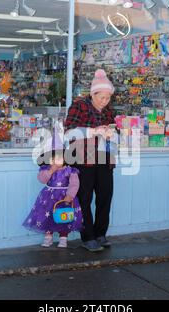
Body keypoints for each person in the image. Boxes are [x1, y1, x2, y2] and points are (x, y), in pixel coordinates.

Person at [64, 69, 117, 252]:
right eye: (102, 97)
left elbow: (113, 130)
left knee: (105, 196)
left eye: (108, 98)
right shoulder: (79, 106)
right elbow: (69, 131)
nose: (105, 101)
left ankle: (101, 233)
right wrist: (93, 131)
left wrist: (113, 134)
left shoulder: (108, 110)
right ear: (93, 94)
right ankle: (88, 237)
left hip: (104, 158)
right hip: (82, 158)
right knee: (84, 198)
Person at [22, 149, 84, 248]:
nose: (55, 161)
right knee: (48, 216)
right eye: (52, 159)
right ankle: (48, 237)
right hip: (48, 198)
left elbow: (74, 184)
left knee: (64, 216)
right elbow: (42, 180)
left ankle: (63, 238)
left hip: (64, 198)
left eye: (58, 158)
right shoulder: (46, 169)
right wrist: (51, 170)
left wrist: (70, 196)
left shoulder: (70, 171)